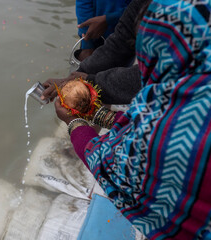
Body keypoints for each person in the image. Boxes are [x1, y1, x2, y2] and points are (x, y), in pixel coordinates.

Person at [55, 0, 211, 239]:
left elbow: (111, 165)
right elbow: (144, 126)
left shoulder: (174, 136)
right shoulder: (192, 91)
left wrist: (74, 123)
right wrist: (97, 112)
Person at [43, 0, 145, 105]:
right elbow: (121, 42)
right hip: (99, 40)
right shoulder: (141, 7)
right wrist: (74, 78)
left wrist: (89, 82)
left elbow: (149, 76)